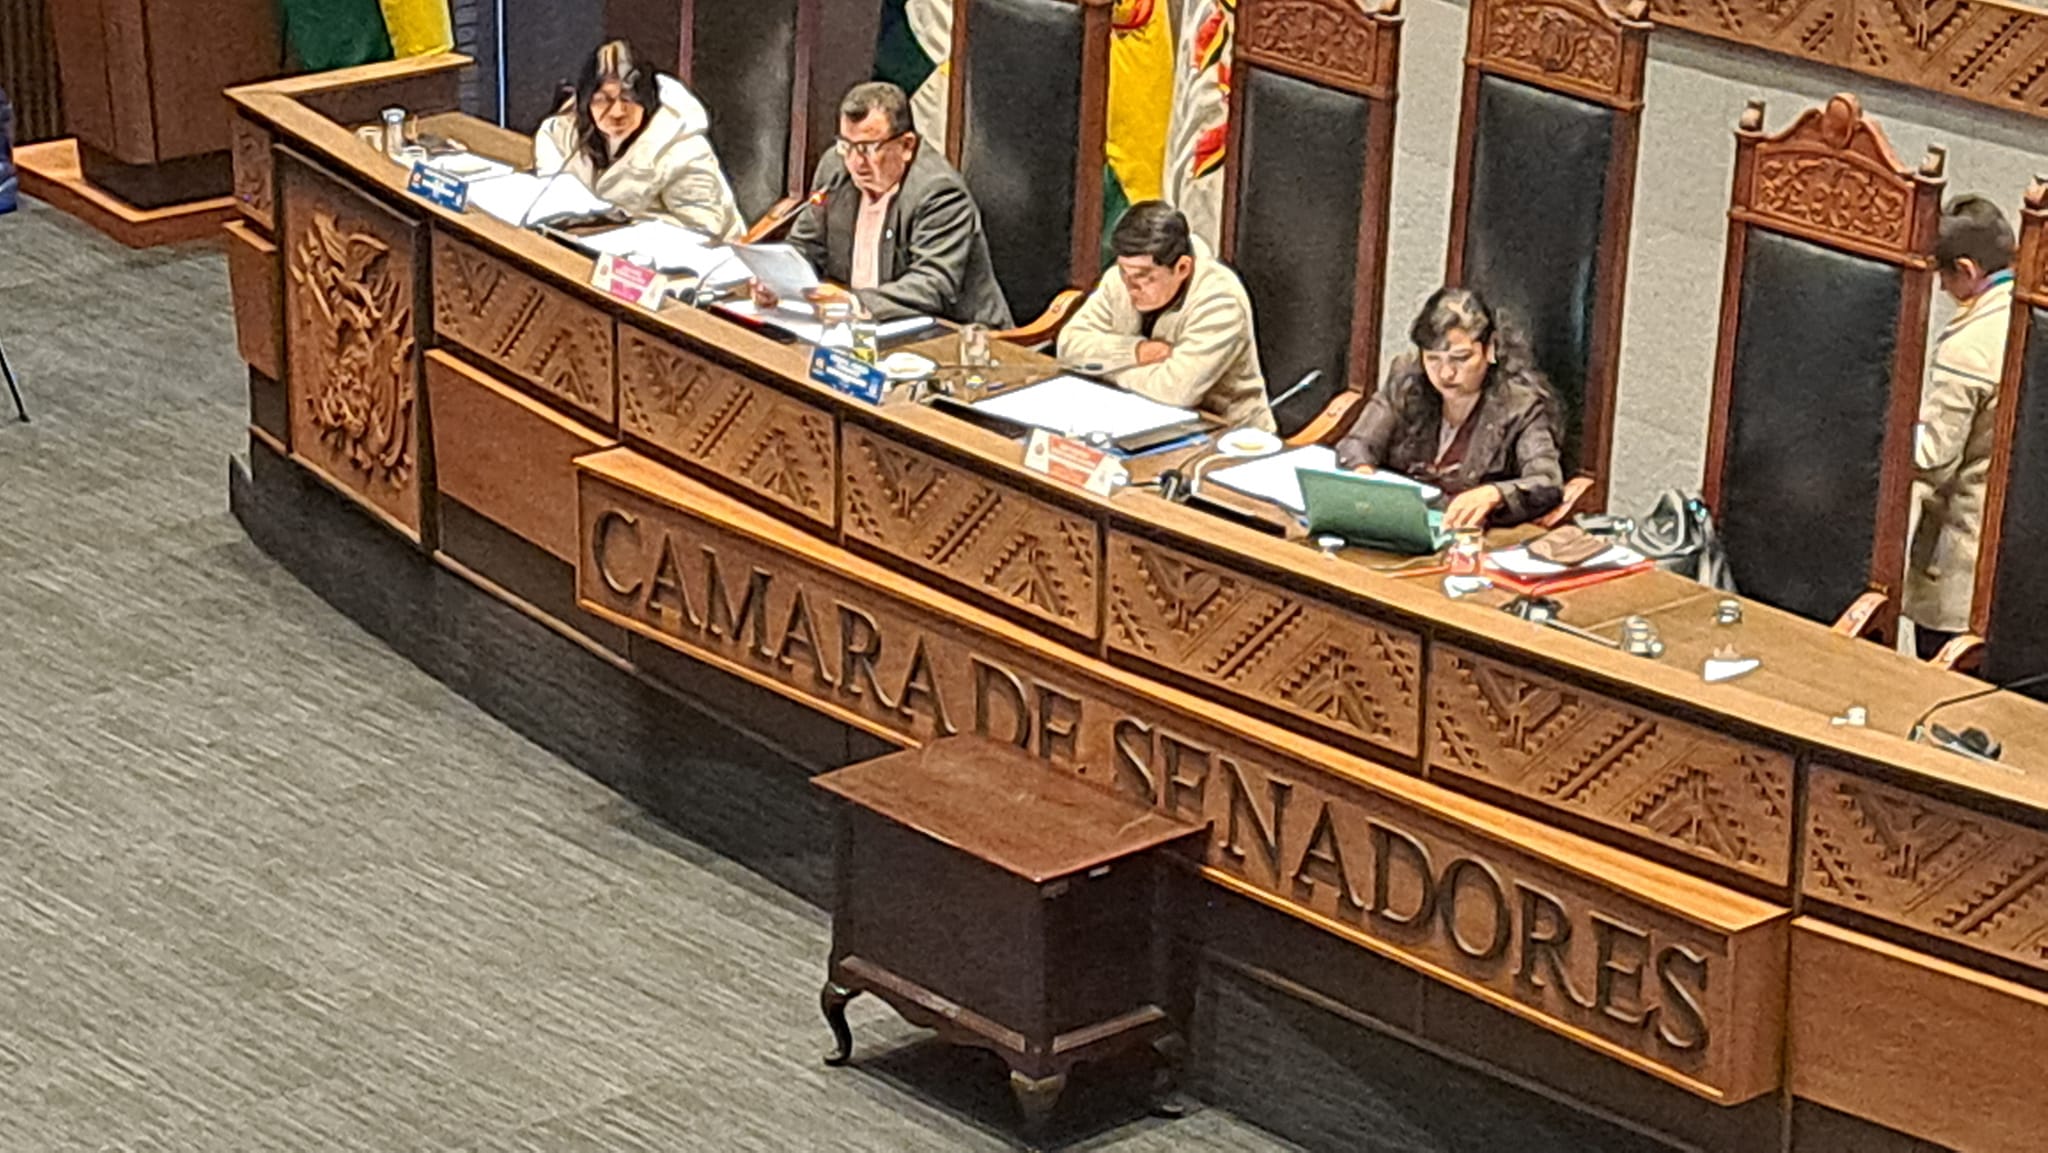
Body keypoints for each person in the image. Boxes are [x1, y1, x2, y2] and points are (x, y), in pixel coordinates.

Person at [761, 82, 1011, 327]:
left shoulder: (939, 193)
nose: (856, 162)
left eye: (868, 148)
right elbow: (805, 245)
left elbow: (932, 285)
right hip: (860, 329)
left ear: (907, 145)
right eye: (846, 145)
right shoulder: (834, 169)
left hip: (958, 337)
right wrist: (776, 279)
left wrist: (854, 303)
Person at [1335, 288, 1562, 530]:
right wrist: (1364, 475)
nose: (1446, 373)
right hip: (1399, 524)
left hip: (1475, 535)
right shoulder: (1405, 380)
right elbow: (1356, 444)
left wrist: (1494, 494)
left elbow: (1546, 481)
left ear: (1490, 348)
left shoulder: (1520, 404)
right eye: (1433, 359)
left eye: (1461, 358)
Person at [1906, 195, 2017, 661]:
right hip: (2019, 569)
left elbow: (1932, 458)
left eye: (1944, 277)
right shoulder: (2027, 314)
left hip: (1960, 571)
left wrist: (1891, 434)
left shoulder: (1969, 348)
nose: (1942, 288)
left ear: (1967, 271)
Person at [1057, 201, 1274, 432]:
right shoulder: (1120, 279)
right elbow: (1069, 346)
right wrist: (1135, 352)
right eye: (1123, 271)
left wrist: (1102, 368)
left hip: (1227, 434)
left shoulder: (1221, 300)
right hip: (1139, 417)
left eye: (1143, 276)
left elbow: (1175, 391)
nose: (1130, 286)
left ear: (1182, 268)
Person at [533, 40, 745, 241]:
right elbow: (549, 204)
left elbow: (703, 234)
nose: (617, 112)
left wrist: (618, 229)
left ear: (647, 100)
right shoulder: (559, 134)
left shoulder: (684, 150)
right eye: (603, 99)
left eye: (628, 98)